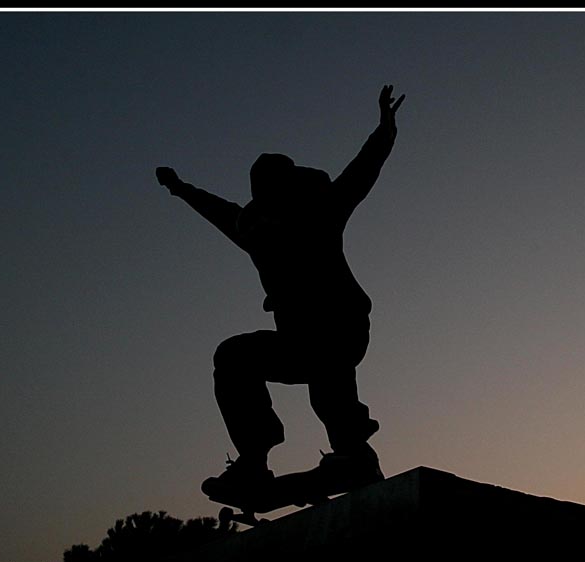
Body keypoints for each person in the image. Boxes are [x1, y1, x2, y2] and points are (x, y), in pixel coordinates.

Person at [156, 85, 405, 500]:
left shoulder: (321, 211)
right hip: (296, 343)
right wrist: (180, 188)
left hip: (340, 327)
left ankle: (353, 451)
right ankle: (254, 460)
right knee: (234, 356)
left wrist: (385, 129)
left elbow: (362, 171)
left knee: (328, 363)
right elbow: (220, 212)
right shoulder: (255, 232)